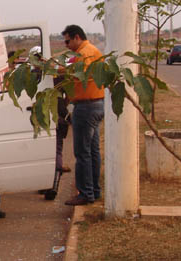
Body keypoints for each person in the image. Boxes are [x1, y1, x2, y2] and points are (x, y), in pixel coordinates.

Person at [60, 25, 104, 206]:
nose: (66, 45)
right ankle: (93, 190)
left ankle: (85, 193)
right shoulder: (89, 50)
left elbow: (73, 70)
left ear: (77, 37)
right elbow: (68, 66)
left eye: (68, 41)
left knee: (82, 153)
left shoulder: (84, 53)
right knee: (92, 151)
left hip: (86, 107)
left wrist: (52, 69)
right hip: (96, 104)